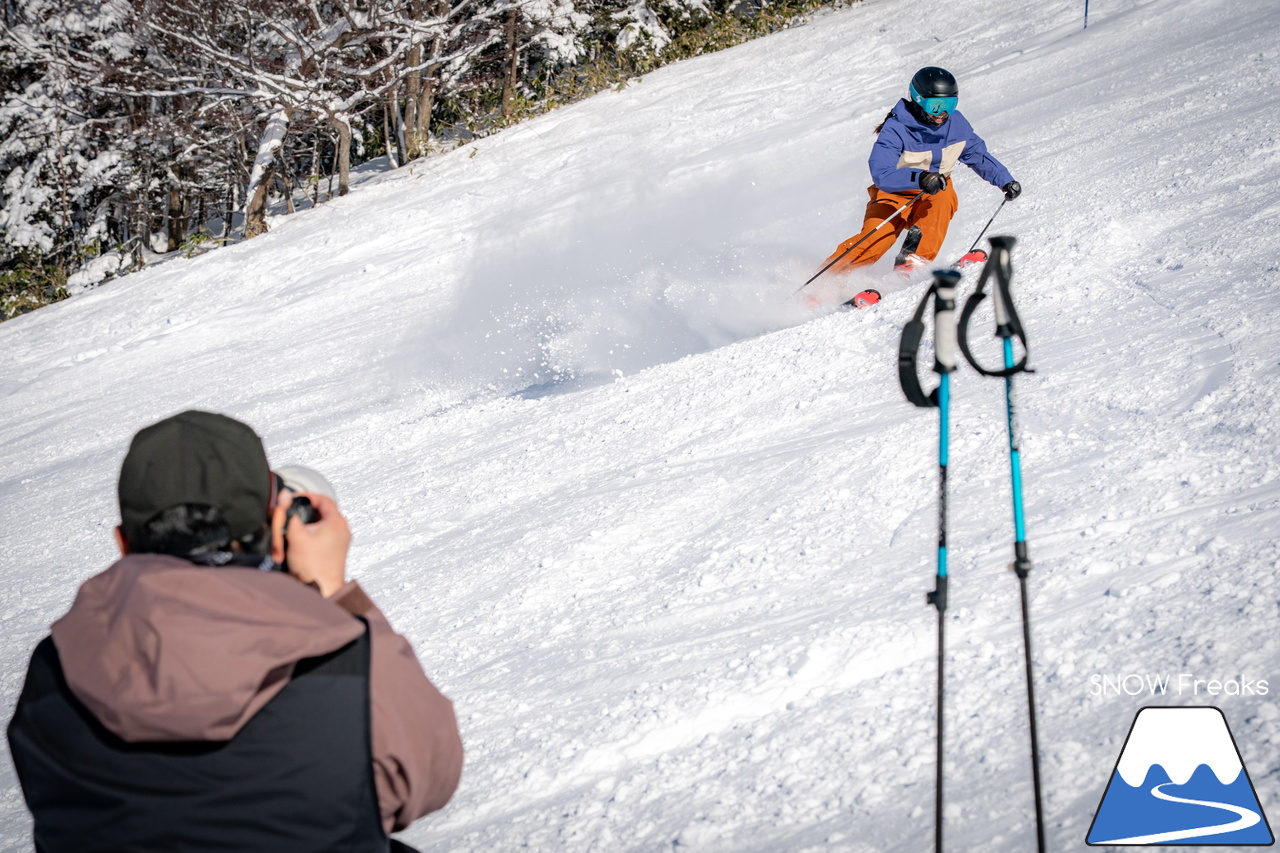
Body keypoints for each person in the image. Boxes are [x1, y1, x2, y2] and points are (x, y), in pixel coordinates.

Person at [7, 410, 463, 853]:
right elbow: (432, 778)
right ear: (277, 531)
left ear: (123, 542)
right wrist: (334, 597)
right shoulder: (342, 660)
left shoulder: (53, 670)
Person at [822, 66, 1021, 279]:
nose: (942, 113)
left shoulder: (956, 125)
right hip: (894, 193)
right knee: (876, 240)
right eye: (935, 106)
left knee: (942, 199)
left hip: (935, 190)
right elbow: (881, 173)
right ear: (918, 100)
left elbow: (977, 155)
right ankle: (826, 280)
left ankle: (911, 265)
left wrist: (1005, 180)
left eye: (950, 105)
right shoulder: (896, 129)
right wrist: (920, 178)